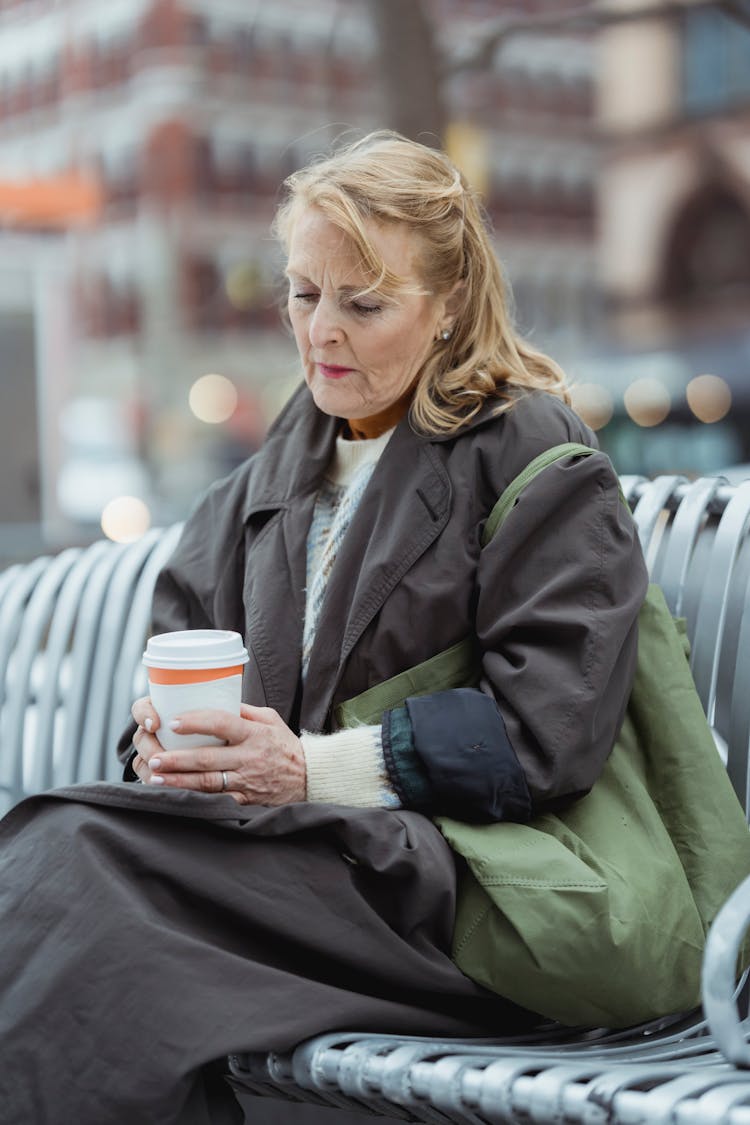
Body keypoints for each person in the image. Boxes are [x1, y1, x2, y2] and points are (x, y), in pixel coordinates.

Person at [0, 132, 647, 1125]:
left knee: (74, 868)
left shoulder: (532, 456)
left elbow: (545, 734)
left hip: (461, 889)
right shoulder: (254, 490)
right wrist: (167, 752)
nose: (322, 333)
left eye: (364, 302)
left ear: (448, 309)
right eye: (304, 294)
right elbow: (174, 696)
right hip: (280, 872)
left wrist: (306, 770)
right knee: (62, 877)